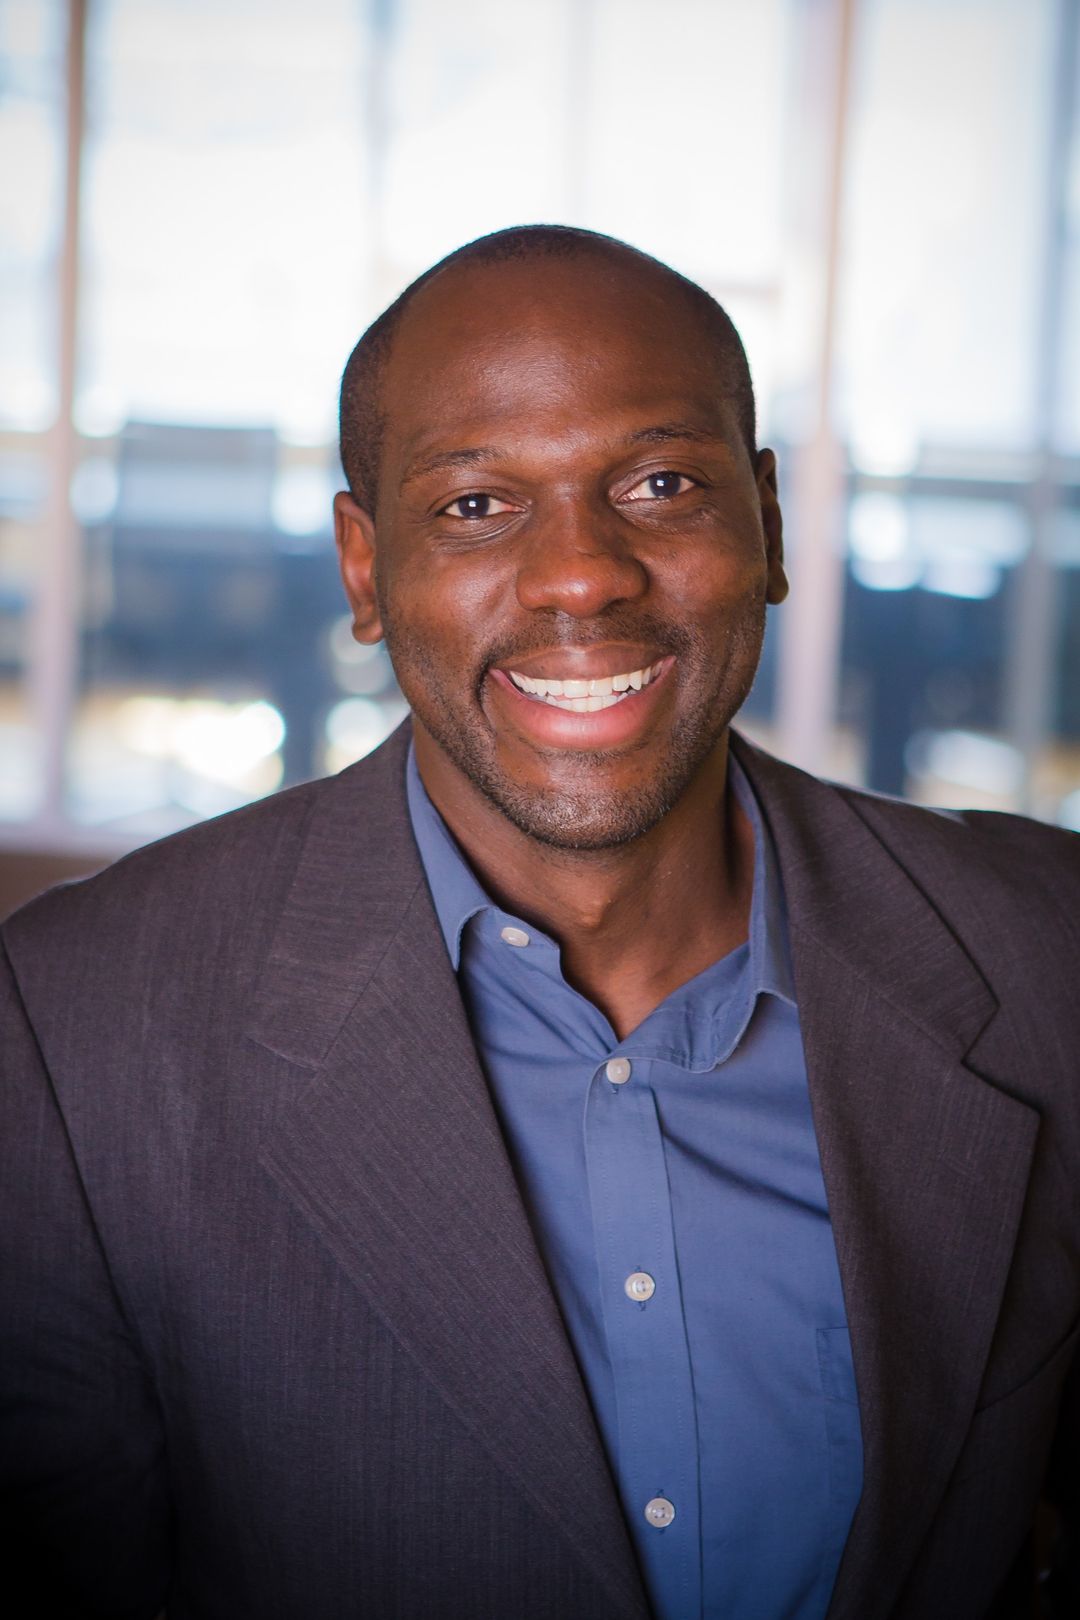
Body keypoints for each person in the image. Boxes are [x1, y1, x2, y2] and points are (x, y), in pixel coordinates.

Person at [2, 225, 1077, 1620]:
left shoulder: (1050, 957)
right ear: (363, 567)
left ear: (768, 527)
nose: (583, 574)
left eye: (661, 482)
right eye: (474, 505)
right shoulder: (72, 1033)